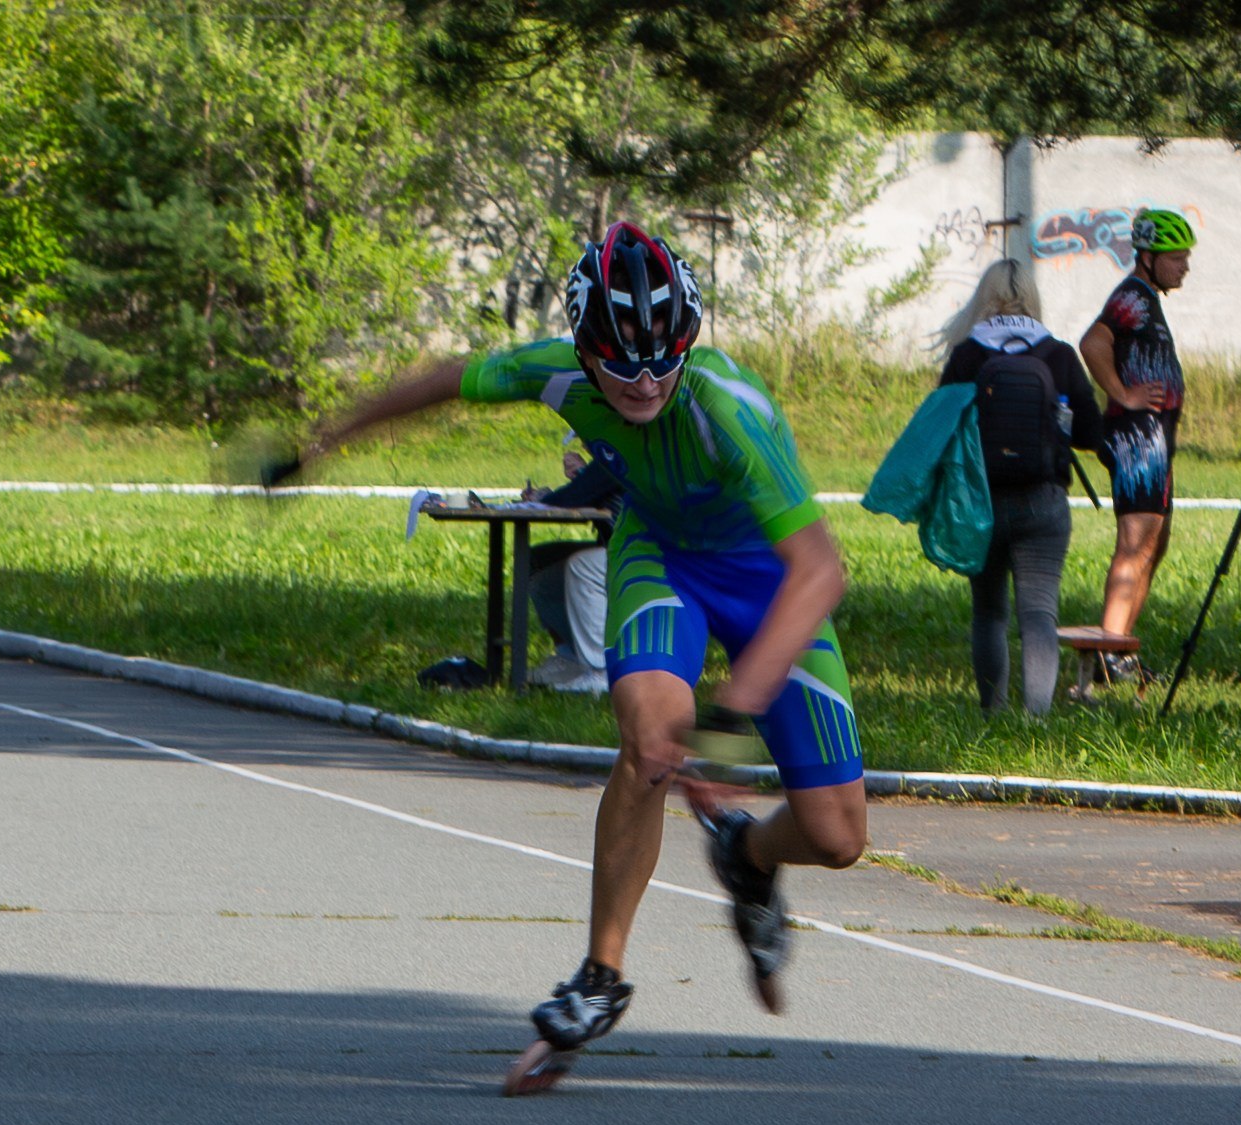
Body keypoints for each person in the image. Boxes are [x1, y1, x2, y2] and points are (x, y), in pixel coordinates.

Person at [292, 221, 866, 1051]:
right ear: (583, 346)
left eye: (663, 357)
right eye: (618, 361)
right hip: (661, 557)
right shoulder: (559, 376)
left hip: (771, 581)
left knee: (836, 838)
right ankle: (600, 973)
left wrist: (731, 720)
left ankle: (747, 858)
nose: (641, 382)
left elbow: (821, 572)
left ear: (689, 340)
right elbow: (448, 380)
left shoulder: (729, 411)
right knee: (652, 744)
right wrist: (326, 439)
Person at [934, 258, 1103, 713]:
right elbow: (1090, 434)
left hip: (981, 502)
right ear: (1033, 297)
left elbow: (941, 427)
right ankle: (1036, 719)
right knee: (1039, 614)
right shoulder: (1059, 355)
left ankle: (993, 710)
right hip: (1044, 501)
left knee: (988, 612)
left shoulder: (968, 355)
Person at [1080, 208, 1194, 682]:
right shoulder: (1133, 297)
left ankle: (1120, 651)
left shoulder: (1148, 298)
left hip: (1154, 443)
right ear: (1148, 256)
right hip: (1137, 443)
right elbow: (1092, 343)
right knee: (1135, 545)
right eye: (1177, 257)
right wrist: (1122, 394)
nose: (1185, 266)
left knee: (1154, 544)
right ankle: (1108, 654)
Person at [525, 435, 622, 694]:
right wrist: (581, 474)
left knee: (583, 566)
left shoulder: (618, 454)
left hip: (652, 555)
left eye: (583, 437)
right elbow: (586, 492)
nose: (582, 443)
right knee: (537, 559)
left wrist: (542, 497)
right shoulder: (606, 461)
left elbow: (570, 499)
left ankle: (601, 671)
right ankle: (569, 658)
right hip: (623, 549)